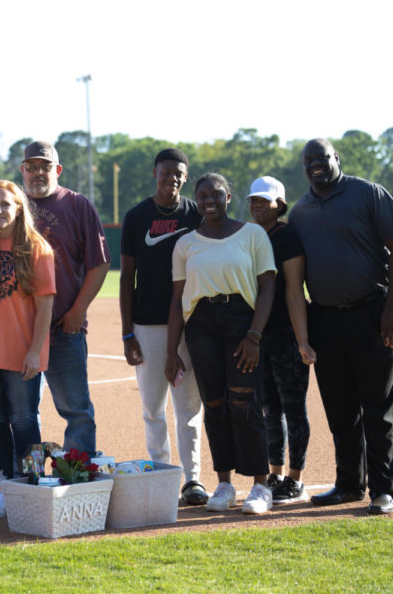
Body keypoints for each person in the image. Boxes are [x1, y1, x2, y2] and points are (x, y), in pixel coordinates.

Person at [290, 139, 393, 515]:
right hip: (325, 317)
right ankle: (348, 484)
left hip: (372, 313)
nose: (315, 165)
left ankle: (383, 490)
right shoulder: (301, 211)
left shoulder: (366, 193)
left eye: (321, 157)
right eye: (308, 160)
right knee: (340, 410)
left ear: (335, 159)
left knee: (379, 407)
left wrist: (392, 308)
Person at [165, 173, 276, 515]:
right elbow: (177, 300)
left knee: (245, 400)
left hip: (241, 321)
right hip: (201, 325)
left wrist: (254, 336)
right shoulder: (185, 244)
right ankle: (224, 484)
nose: (209, 200)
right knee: (214, 404)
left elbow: (268, 287)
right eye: (202, 196)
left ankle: (260, 486)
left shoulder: (252, 234)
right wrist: (171, 351)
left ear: (229, 197)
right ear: (196, 200)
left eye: (216, 194)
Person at [119, 148, 208, 506]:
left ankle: (193, 480)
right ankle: (162, 473)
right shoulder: (137, 216)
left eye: (178, 173)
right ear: (155, 172)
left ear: (185, 177)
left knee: (189, 407)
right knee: (153, 407)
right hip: (148, 325)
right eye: (166, 171)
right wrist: (127, 333)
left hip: (190, 324)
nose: (172, 177)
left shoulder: (196, 213)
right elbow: (127, 278)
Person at [0, 180, 56, 519]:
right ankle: (4, 487)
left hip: (22, 354)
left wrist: (35, 350)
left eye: (5, 204)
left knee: (25, 421)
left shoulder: (36, 248)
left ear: (19, 208)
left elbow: (45, 306)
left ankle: (31, 485)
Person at [20, 141, 111, 457]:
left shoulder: (77, 204)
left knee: (76, 410)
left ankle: (79, 477)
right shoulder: (12, 206)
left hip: (63, 328)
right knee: (23, 414)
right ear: (22, 171)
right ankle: (27, 482)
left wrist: (78, 310)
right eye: (31, 167)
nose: (37, 173)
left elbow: (99, 262)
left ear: (57, 170)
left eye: (44, 166)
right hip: (19, 331)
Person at [246, 176, 317, 505]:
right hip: (260, 338)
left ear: (280, 204)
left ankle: (296, 480)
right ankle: (275, 475)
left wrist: (303, 341)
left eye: (264, 201)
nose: (258, 206)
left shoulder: (286, 237)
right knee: (269, 409)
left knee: (293, 407)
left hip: (286, 336)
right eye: (254, 201)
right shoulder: (251, 236)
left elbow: (293, 292)